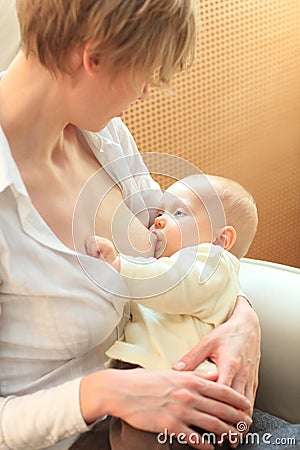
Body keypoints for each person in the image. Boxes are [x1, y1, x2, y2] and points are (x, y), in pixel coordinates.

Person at [0, 1, 261, 449]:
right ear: (94, 56)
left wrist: (242, 320)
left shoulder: (106, 138)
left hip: (172, 407)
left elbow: (179, 262)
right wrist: (105, 393)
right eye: (147, 72)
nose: (145, 94)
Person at [86, 174, 258, 374]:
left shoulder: (215, 264)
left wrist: (119, 265)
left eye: (178, 213)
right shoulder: (167, 264)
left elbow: (172, 282)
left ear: (220, 240)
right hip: (146, 374)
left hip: (192, 379)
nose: (159, 221)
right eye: (160, 212)